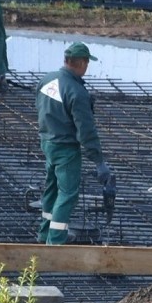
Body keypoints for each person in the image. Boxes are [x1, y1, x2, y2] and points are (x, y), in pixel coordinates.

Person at [35, 42, 113, 245]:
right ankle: (56, 240)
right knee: (67, 194)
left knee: (51, 189)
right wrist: (99, 162)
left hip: (47, 142)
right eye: (87, 63)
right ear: (82, 63)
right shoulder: (77, 93)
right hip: (66, 149)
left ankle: (45, 233)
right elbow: (86, 132)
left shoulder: (47, 80)